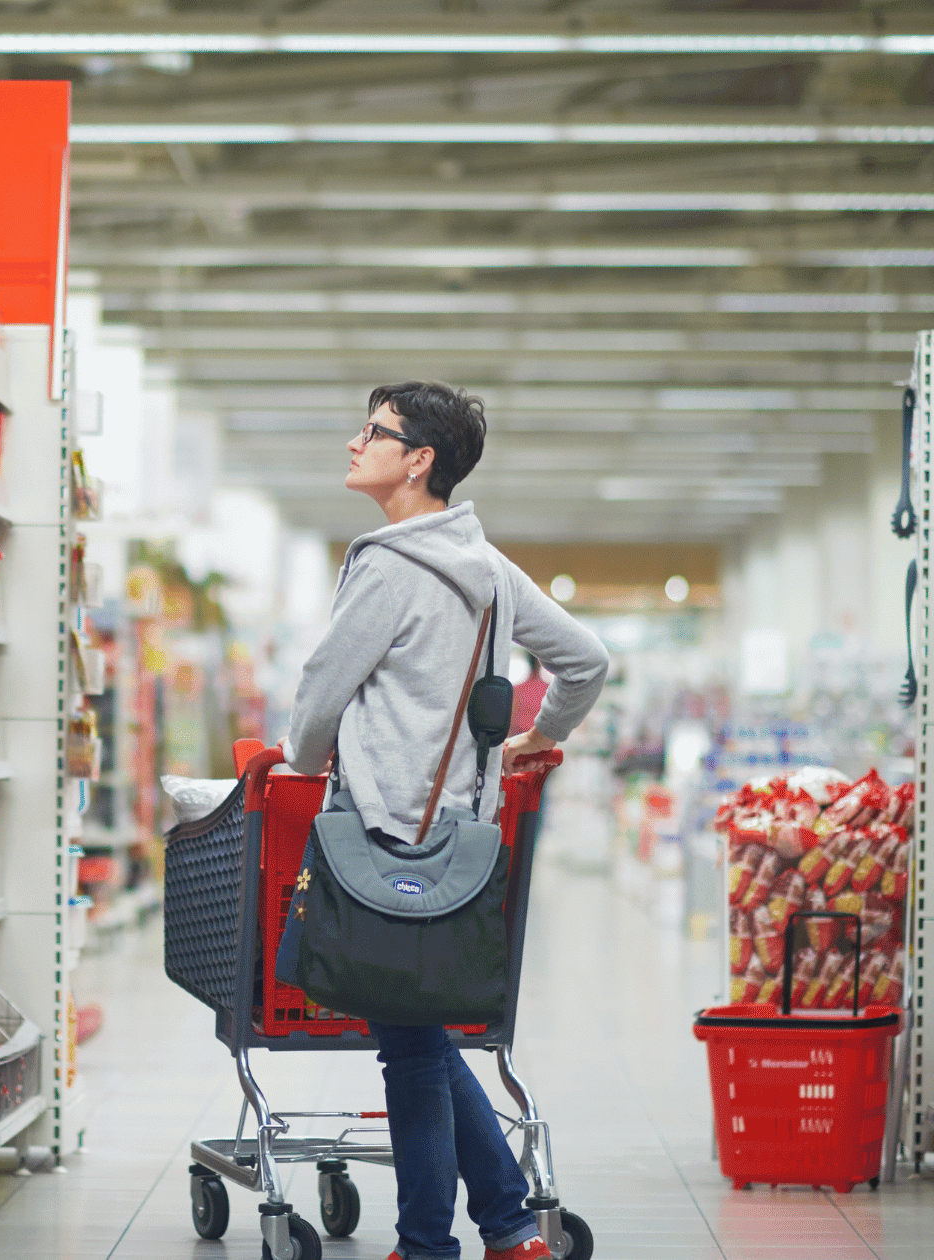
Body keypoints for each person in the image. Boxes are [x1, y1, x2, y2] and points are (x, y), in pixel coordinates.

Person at [281, 381, 610, 1260]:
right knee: (418, 1034)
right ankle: (506, 1226)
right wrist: (538, 739)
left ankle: (432, 1245)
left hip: (381, 831)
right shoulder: (488, 568)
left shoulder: (387, 564)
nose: (356, 442)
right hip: (461, 840)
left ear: (419, 460)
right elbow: (586, 660)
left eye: (375, 431)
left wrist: (302, 762)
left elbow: (322, 689)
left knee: (411, 1050)